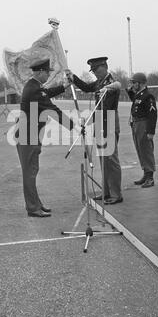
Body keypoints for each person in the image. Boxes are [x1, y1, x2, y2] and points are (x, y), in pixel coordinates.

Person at [16, 57, 74, 218]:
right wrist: (73, 126)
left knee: (32, 170)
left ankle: (36, 204)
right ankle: (33, 208)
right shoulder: (34, 89)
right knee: (30, 172)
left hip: (30, 134)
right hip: (28, 136)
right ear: (40, 71)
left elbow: (47, 93)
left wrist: (64, 86)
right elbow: (51, 108)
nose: (48, 75)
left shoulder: (34, 86)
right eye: (47, 72)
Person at [67, 56, 123, 205]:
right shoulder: (99, 83)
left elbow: (116, 88)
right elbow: (86, 88)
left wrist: (108, 88)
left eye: (97, 70)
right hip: (99, 122)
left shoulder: (111, 83)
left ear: (104, 67)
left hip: (109, 121)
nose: (95, 73)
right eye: (93, 71)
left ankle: (116, 194)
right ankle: (106, 191)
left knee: (111, 159)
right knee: (103, 160)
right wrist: (74, 78)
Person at [126, 72, 157, 188]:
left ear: (141, 83)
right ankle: (145, 173)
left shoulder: (148, 96)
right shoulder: (138, 95)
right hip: (136, 124)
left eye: (134, 83)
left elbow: (153, 114)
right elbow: (134, 101)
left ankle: (150, 177)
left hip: (143, 124)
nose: (132, 85)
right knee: (140, 150)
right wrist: (129, 91)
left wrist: (150, 131)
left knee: (146, 151)